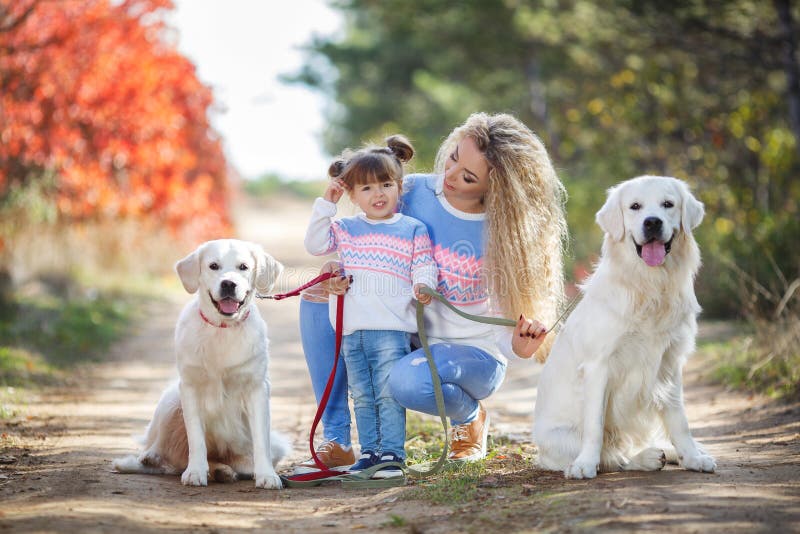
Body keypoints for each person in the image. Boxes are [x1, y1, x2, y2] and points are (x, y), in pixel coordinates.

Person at [296, 112, 568, 466]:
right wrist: (340, 271)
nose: (450, 176)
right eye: (453, 157)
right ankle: (336, 439)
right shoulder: (412, 192)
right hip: (407, 336)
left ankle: (469, 417)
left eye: (468, 177)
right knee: (318, 300)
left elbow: (506, 335)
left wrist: (520, 346)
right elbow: (368, 240)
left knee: (406, 381)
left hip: (473, 354)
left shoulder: (505, 233)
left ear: (498, 187)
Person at [300, 135, 438, 478]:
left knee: (388, 394)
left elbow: (424, 264)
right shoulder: (346, 228)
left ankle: (392, 454)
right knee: (362, 395)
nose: (378, 194)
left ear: (399, 187)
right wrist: (327, 203)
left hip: (391, 329)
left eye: (386, 185)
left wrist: (424, 285)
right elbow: (314, 244)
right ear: (352, 195)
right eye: (367, 188)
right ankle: (370, 453)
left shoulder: (412, 229)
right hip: (352, 330)